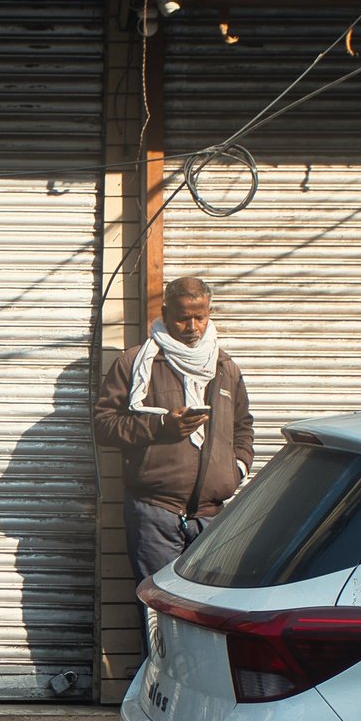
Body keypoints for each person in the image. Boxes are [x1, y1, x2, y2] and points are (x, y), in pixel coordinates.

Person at [94, 275, 255, 653]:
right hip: (156, 511)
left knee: (210, 612)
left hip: (212, 516)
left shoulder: (225, 366)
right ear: (165, 313)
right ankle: (159, 692)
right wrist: (161, 425)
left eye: (200, 317)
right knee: (159, 611)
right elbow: (104, 425)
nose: (193, 327)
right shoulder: (136, 363)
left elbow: (243, 426)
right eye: (183, 318)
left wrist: (237, 471)